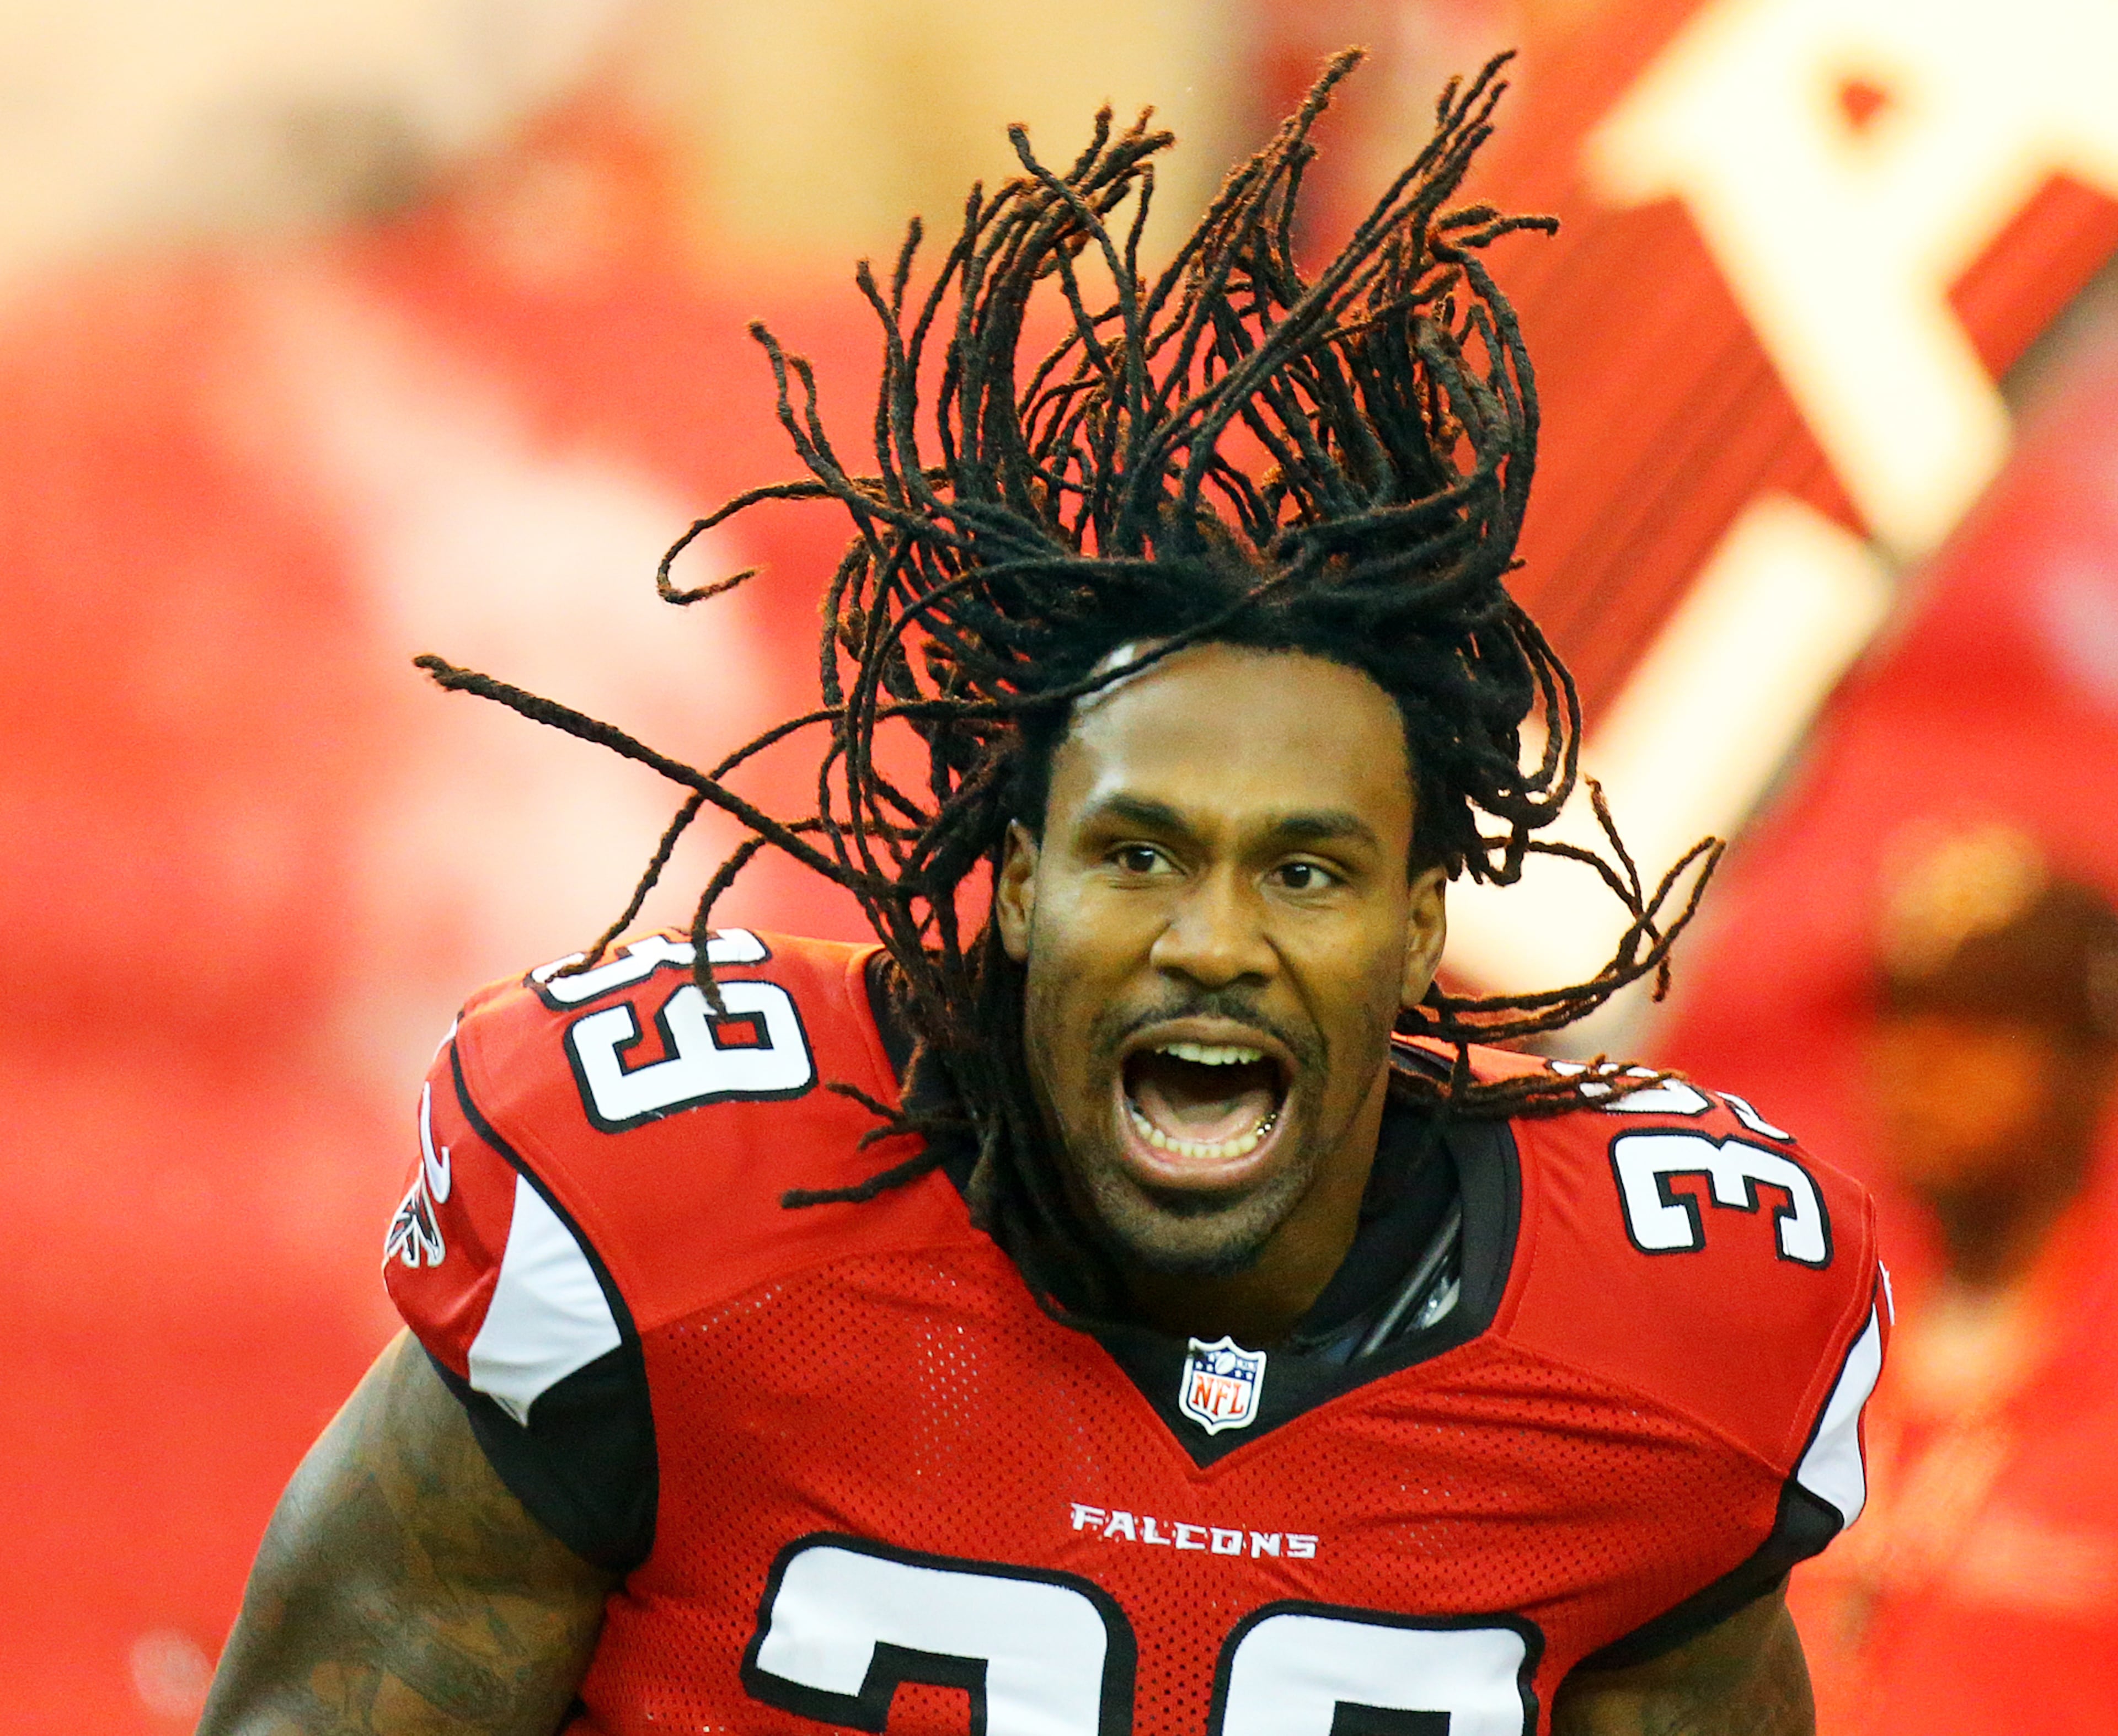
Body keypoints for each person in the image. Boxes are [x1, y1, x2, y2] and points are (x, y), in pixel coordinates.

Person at [199, 55, 1883, 1736]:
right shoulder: (685, 1214)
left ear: (1421, 925)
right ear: (1014, 886)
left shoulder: (1662, 1352)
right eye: (1139, 853)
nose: (1214, 942)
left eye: (1305, 871)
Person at [1793, 825, 2118, 1733]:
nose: (1918, 1063)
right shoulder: (1807, 1352)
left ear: (2094, 1067)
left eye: (1980, 1024)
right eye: (1899, 1015)